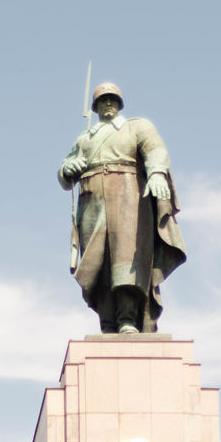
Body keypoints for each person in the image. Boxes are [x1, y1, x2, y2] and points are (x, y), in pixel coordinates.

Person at [58, 82, 186, 334]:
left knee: (126, 259)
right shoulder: (85, 138)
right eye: (103, 100)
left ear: (119, 104)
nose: (108, 104)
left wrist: (157, 174)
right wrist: (66, 169)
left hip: (128, 193)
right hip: (91, 198)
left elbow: (155, 150)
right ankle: (107, 323)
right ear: (95, 107)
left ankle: (127, 319)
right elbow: (65, 172)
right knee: (98, 261)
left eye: (112, 100)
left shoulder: (137, 127)